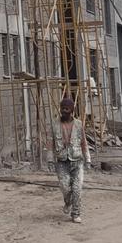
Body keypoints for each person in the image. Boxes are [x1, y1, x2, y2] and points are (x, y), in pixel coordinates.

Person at [48, 95, 92, 224]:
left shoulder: (78, 124)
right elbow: (50, 143)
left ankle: (76, 213)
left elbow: (83, 142)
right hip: (62, 161)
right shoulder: (55, 124)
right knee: (65, 187)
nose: (64, 111)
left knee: (77, 188)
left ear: (72, 110)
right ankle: (68, 202)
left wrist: (88, 159)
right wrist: (50, 159)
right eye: (62, 108)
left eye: (67, 109)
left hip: (77, 160)